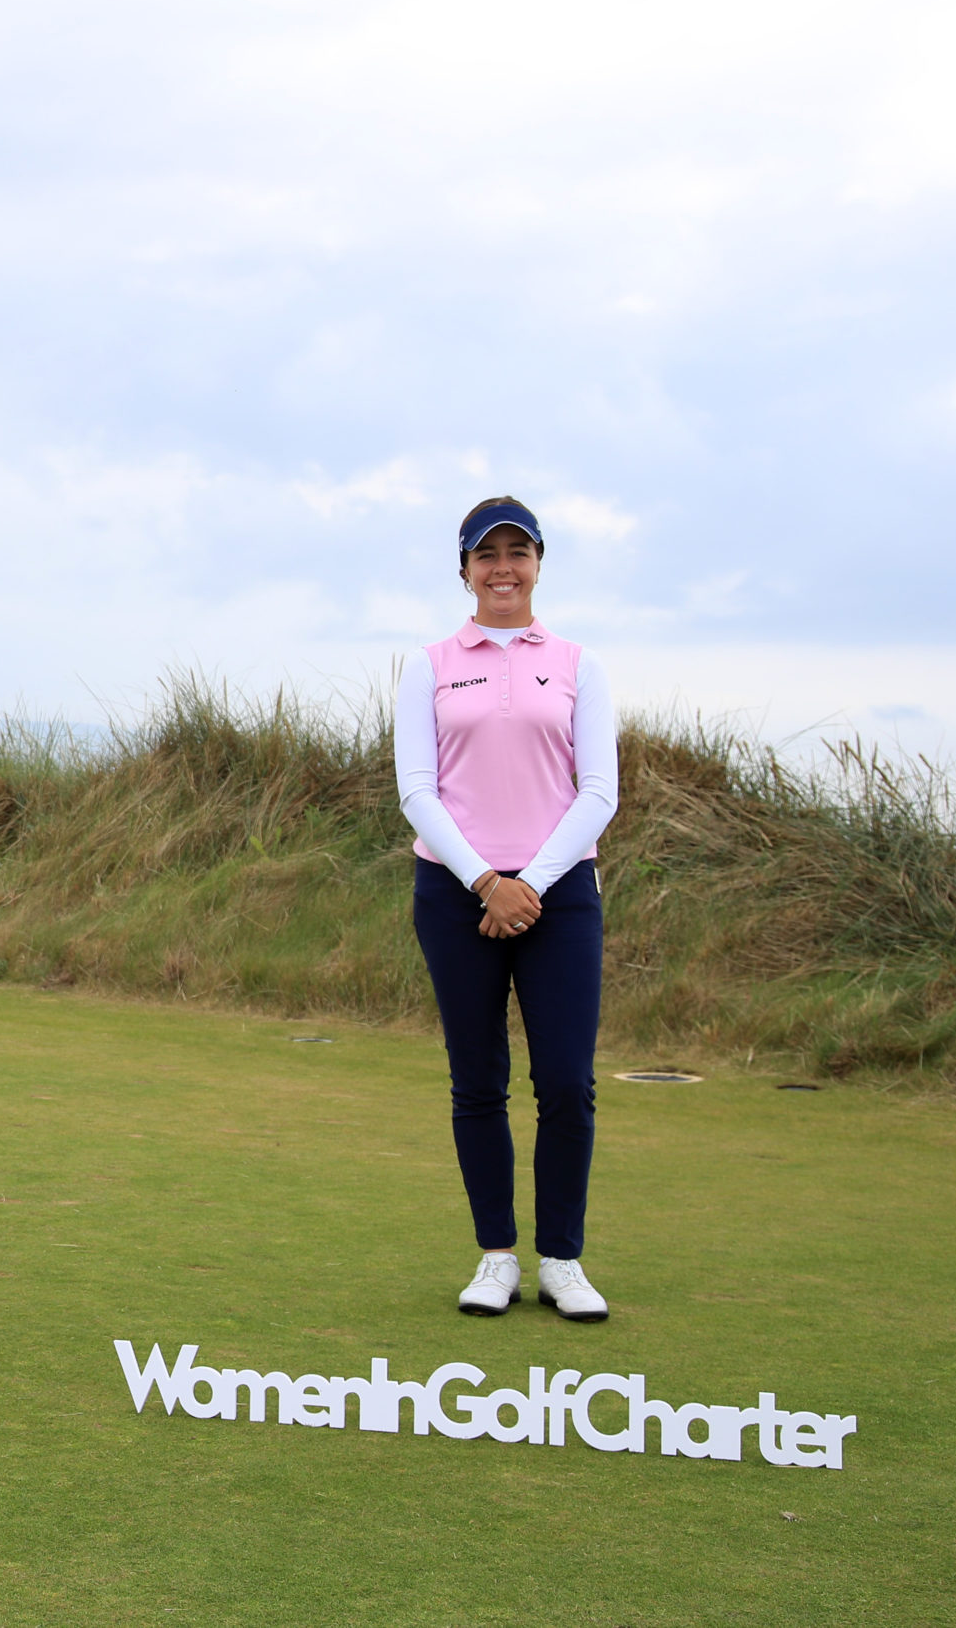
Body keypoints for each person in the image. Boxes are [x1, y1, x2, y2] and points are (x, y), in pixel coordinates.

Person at [395, 497, 618, 1323]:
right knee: (477, 1081)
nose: (503, 568)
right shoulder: (429, 665)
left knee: (565, 1082)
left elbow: (599, 791)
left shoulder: (577, 663)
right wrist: (488, 881)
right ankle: (496, 1255)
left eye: (517, 552)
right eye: (486, 554)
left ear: (538, 563)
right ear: (464, 570)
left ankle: (561, 1258)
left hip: (561, 895)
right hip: (455, 894)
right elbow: (417, 790)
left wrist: (531, 882)